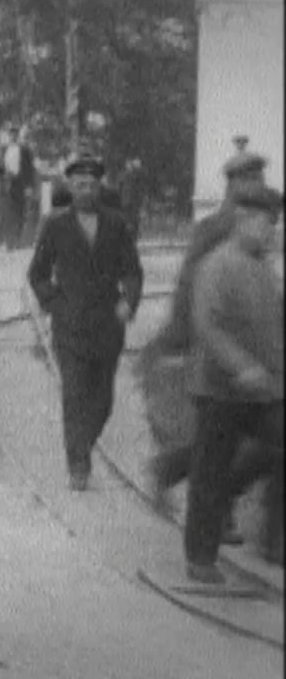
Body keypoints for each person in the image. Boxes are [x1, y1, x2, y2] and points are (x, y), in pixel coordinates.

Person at [140, 152, 273, 544]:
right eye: (247, 180)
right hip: (211, 352)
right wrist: (179, 340)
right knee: (220, 439)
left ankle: (191, 488)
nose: (255, 186)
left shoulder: (258, 230)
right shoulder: (212, 229)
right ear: (231, 185)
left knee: (229, 439)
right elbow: (187, 290)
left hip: (243, 353)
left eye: (259, 179)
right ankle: (177, 478)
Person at [183, 185, 284, 581]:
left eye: (274, 224)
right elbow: (208, 326)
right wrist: (242, 367)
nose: (272, 232)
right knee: (209, 469)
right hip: (218, 390)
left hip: (264, 393)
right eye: (266, 224)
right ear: (244, 220)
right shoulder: (217, 265)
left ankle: (261, 522)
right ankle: (200, 558)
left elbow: (272, 333)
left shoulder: (264, 269)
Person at [27, 153, 143, 491]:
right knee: (75, 396)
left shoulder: (117, 224)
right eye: (79, 185)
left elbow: (133, 271)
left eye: (92, 184)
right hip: (70, 327)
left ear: (99, 186)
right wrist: (54, 305)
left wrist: (129, 301)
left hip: (108, 326)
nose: (86, 190)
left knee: (103, 401)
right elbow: (37, 274)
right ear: (70, 187)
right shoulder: (55, 224)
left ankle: (82, 445)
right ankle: (78, 463)